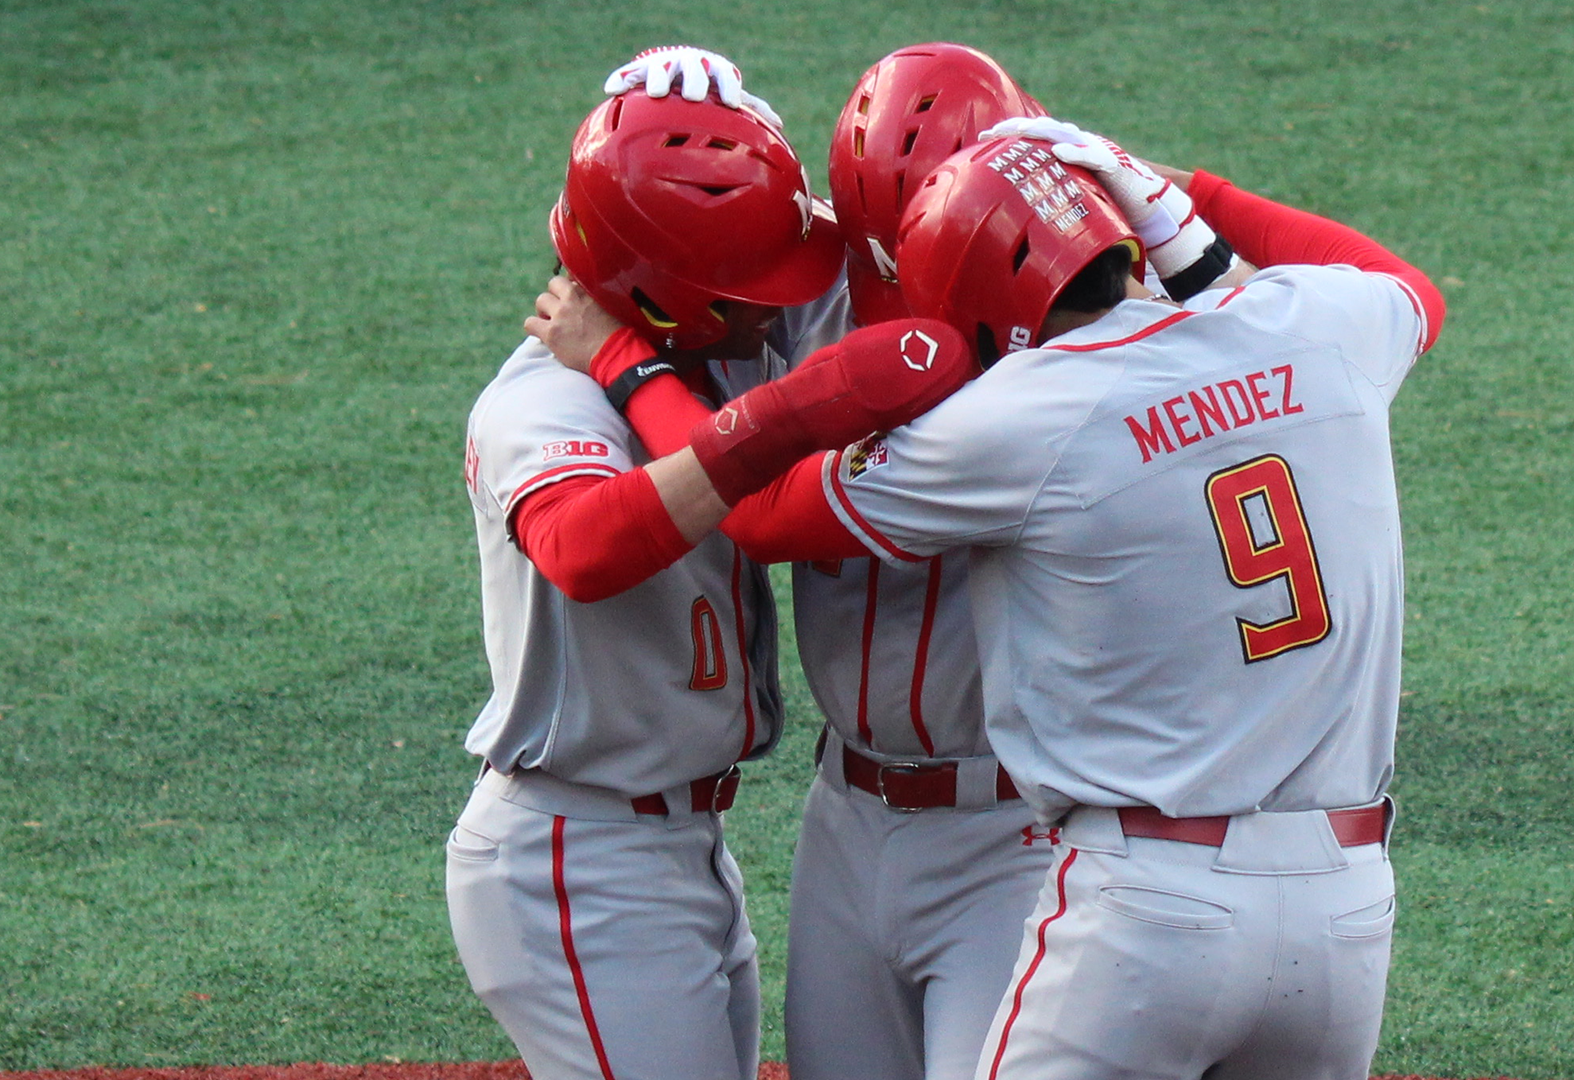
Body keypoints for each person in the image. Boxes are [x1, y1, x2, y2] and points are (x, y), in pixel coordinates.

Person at [529, 115, 1444, 1079]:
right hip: (1346, 905)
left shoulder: (1022, 416)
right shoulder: (1314, 327)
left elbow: (754, 507)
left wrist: (627, 367)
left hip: (1149, 906)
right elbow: (1405, 286)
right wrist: (1172, 187)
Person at [445, 47, 962, 1080]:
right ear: (666, 292)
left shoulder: (713, 348)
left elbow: (888, 313)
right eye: (749, 289)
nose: (778, 307)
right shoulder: (541, 406)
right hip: (578, 860)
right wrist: (696, 410)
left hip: (680, 851)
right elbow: (585, 549)